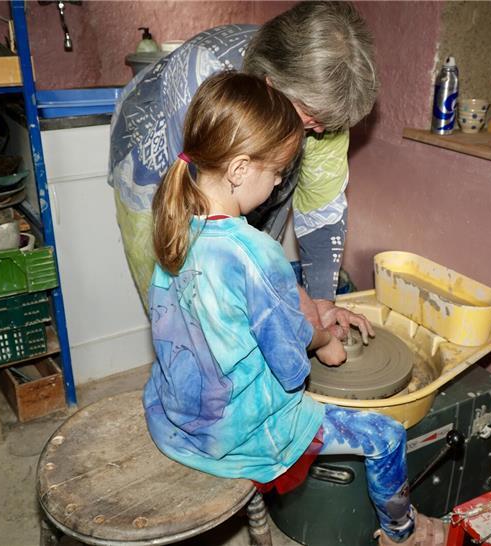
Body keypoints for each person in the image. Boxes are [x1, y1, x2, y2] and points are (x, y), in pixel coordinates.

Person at [143, 71, 446, 546]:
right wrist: (326, 343)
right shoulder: (254, 252)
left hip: (176, 415)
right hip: (232, 435)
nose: (282, 180)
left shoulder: (174, 225)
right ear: (241, 170)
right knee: (386, 436)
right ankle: (402, 532)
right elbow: (289, 362)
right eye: (279, 171)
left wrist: (309, 312)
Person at [109, 1, 378, 341]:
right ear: (270, 85)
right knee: (189, 316)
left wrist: (319, 303)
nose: (322, 131)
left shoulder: (321, 108)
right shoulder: (203, 79)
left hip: (249, 160)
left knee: (254, 307)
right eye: (311, 117)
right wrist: (283, 290)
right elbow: (209, 229)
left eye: (328, 121)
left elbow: (321, 210)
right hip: (155, 155)